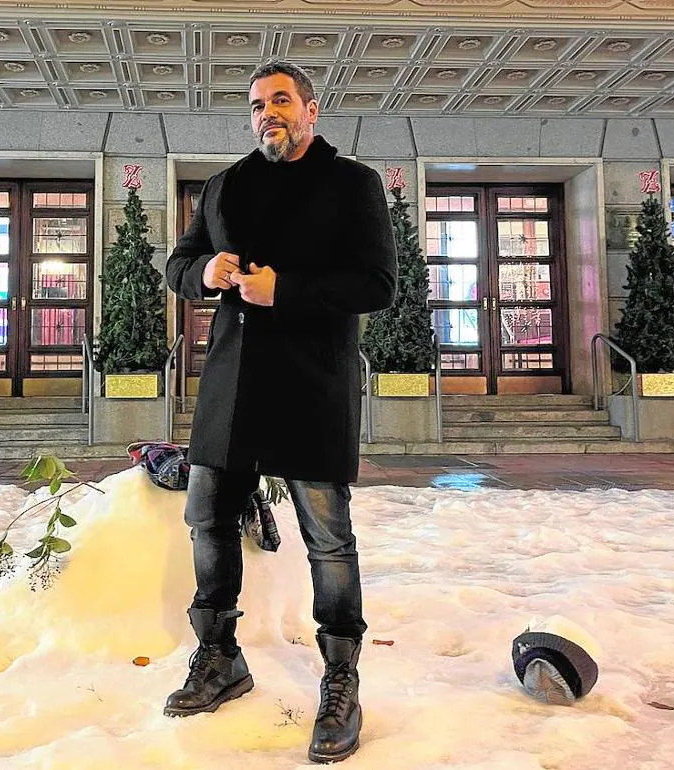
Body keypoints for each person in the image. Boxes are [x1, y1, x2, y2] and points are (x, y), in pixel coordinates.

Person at [162, 59, 397, 764]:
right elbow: (179, 262)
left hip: (310, 388)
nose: (269, 112)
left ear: (311, 110)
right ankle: (219, 657)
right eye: (259, 104)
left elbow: (379, 284)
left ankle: (341, 678)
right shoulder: (224, 185)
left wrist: (283, 290)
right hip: (229, 388)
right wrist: (203, 274)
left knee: (327, 538)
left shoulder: (353, 184)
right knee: (207, 519)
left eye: (282, 100)